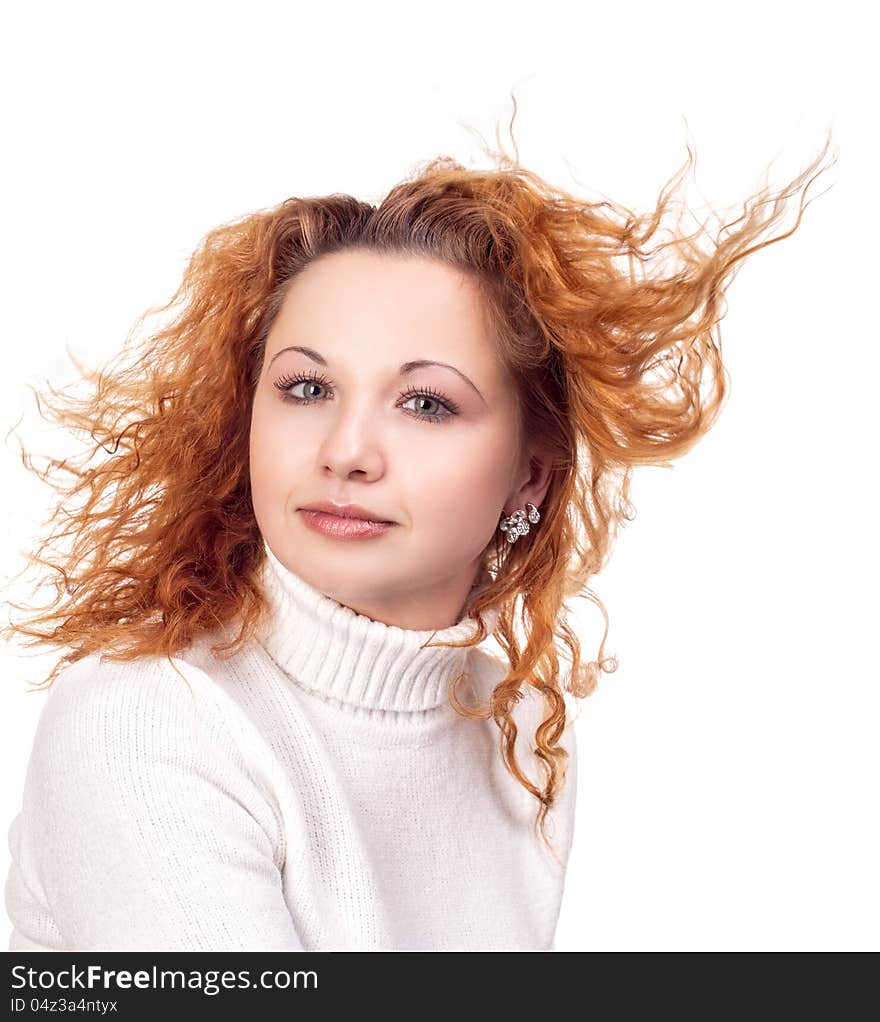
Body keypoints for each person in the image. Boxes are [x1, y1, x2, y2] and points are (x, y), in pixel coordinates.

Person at [2, 129, 836, 950]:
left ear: (531, 476)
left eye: (426, 403)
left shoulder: (521, 732)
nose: (346, 452)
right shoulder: (146, 721)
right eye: (306, 387)